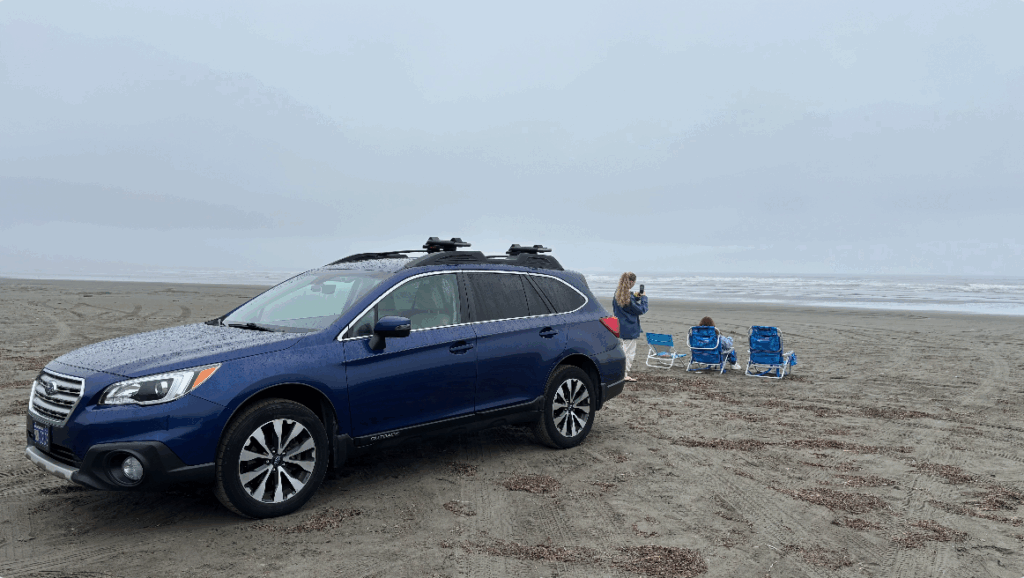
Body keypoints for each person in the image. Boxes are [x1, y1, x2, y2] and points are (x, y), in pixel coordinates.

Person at [613, 272, 648, 381]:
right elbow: (641, 309)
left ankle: (620, 372)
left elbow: (628, 303)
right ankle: (623, 374)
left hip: (620, 326)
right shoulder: (627, 298)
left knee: (623, 350)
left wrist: (635, 296)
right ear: (632, 282)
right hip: (630, 327)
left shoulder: (618, 294)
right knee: (629, 352)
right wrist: (644, 298)